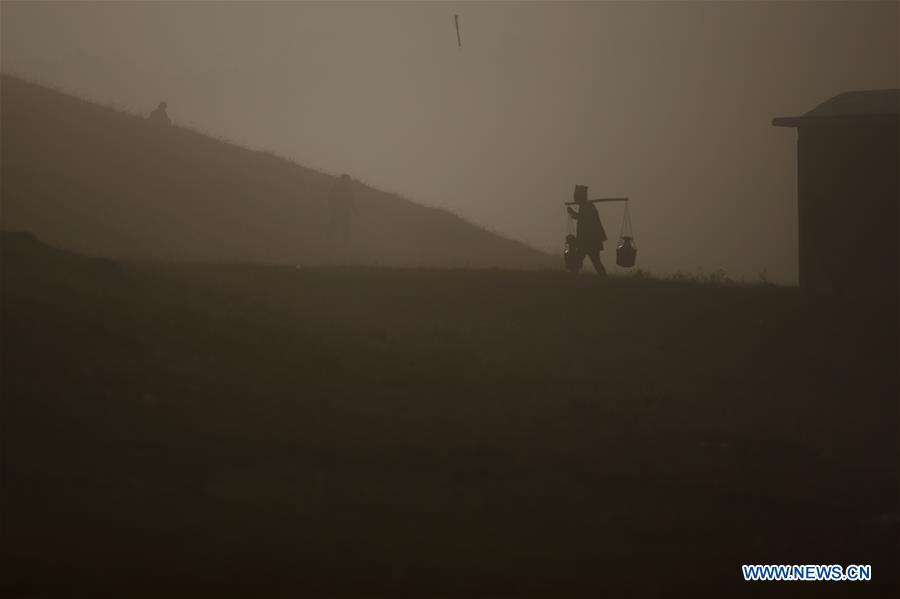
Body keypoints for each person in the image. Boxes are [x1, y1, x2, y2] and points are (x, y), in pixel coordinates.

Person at [566, 186, 607, 276]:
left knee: (592, 261)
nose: (575, 199)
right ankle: (604, 278)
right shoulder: (585, 206)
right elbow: (582, 218)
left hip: (590, 240)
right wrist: (573, 213)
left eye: (576, 196)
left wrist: (572, 213)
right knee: (585, 260)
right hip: (587, 240)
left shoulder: (587, 206)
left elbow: (584, 219)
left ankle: (604, 278)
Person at [328, 174, 356, 246]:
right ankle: (329, 239)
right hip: (338, 210)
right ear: (342, 179)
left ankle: (345, 243)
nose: (347, 181)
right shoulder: (337, 187)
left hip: (345, 211)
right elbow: (330, 196)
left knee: (346, 227)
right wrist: (332, 206)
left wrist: (355, 210)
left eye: (348, 180)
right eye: (346, 179)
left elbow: (351, 200)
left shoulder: (347, 189)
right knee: (333, 225)